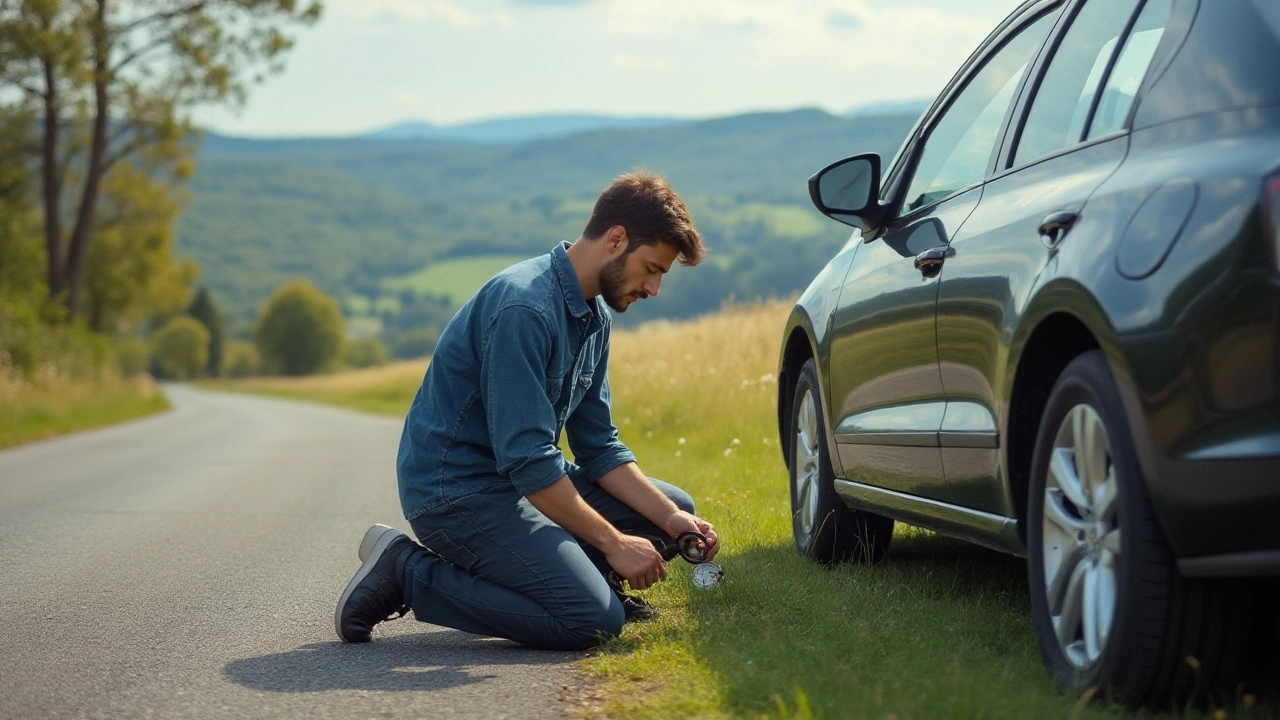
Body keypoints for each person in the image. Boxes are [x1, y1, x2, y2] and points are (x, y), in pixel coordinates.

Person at [335, 171, 720, 651]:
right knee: (592, 621)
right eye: (651, 268)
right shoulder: (525, 309)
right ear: (615, 240)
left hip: (519, 482)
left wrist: (670, 521)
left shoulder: (593, 315)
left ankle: (577, 581)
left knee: (674, 508)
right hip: (458, 493)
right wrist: (614, 544)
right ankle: (407, 572)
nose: (654, 288)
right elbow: (529, 461)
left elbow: (598, 446)